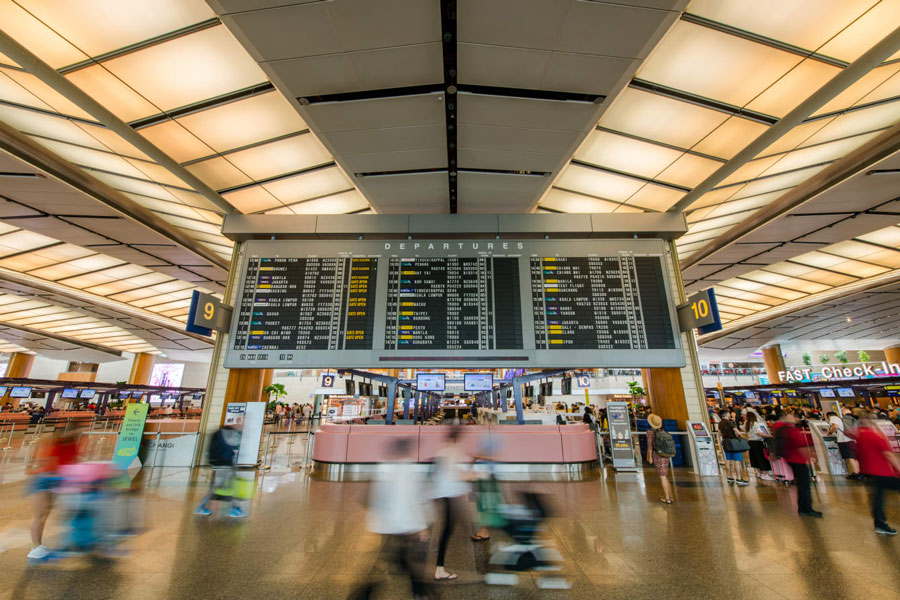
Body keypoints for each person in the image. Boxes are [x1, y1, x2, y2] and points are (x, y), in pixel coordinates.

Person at [352, 437, 432, 600]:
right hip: (399, 526)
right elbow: (410, 500)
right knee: (401, 563)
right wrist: (420, 526)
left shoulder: (386, 468)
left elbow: (374, 499)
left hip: (386, 525)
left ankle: (420, 592)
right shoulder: (406, 470)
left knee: (392, 561)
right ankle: (421, 593)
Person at [27, 430, 81, 560]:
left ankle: (38, 546)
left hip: (52, 480)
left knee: (45, 513)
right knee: (40, 516)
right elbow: (41, 462)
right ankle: (35, 548)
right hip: (43, 480)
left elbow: (71, 462)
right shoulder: (52, 444)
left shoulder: (70, 445)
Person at [431, 426, 470, 581]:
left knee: (448, 528)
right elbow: (458, 474)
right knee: (447, 529)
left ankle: (440, 566)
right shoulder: (455, 451)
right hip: (449, 494)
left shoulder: (443, 449)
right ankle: (439, 568)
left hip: (443, 494)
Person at [856, 414, 900, 535]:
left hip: (869, 472)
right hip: (883, 472)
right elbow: (888, 454)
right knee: (879, 497)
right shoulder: (875, 436)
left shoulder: (860, 436)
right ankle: (881, 524)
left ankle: (880, 524)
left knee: (877, 498)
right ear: (872, 423)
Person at [773, 410, 821, 518]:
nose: (795, 419)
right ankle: (805, 508)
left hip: (791, 459)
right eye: (792, 417)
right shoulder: (790, 430)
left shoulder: (782, 429)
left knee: (802, 484)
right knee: (804, 485)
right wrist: (809, 456)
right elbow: (799, 445)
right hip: (797, 460)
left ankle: (804, 508)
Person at [194, 424, 244, 518]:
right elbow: (234, 443)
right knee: (221, 486)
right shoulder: (227, 434)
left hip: (221, 462)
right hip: (224, 463)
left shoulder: (218, 433)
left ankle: (235, 508)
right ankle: (235, 509)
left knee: (229, 485)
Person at [646, 414, 675, 504]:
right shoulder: (663, 431)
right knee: (665, 476)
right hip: (665, 455)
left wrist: (650, 457)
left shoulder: (650, 432)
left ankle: (667, 498)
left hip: (657, 455)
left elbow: (650, 446)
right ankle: (670, 496)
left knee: (662, 477)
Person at [827, 409, 861, 480]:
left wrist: (830, 432)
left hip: (844, 440)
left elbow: (835, 427)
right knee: (854, 457)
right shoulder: (852, 419)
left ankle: (855, 473)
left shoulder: (834, 418)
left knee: (850, 457)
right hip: (853, 439)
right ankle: (858, 472)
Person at [719, 411, 749, 486]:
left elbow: (719, 433)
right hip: (733, 443)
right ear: (726, 415)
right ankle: (739, 478)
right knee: (737, 460)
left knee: (728, 460)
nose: (730, 414)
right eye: (729, 413)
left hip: (726, 442)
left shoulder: (720, 423)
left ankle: (729, 477)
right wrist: (739, 436)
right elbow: (738, 432)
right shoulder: (730, 423)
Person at [744, 411, 774, 481]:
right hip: (757, 442)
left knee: (754, 458)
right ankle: (764, 474)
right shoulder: (755, 424)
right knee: (761, 457)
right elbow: (760, 433)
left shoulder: (746, 424)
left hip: (750, 442)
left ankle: (759, 472)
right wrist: (769, 435)